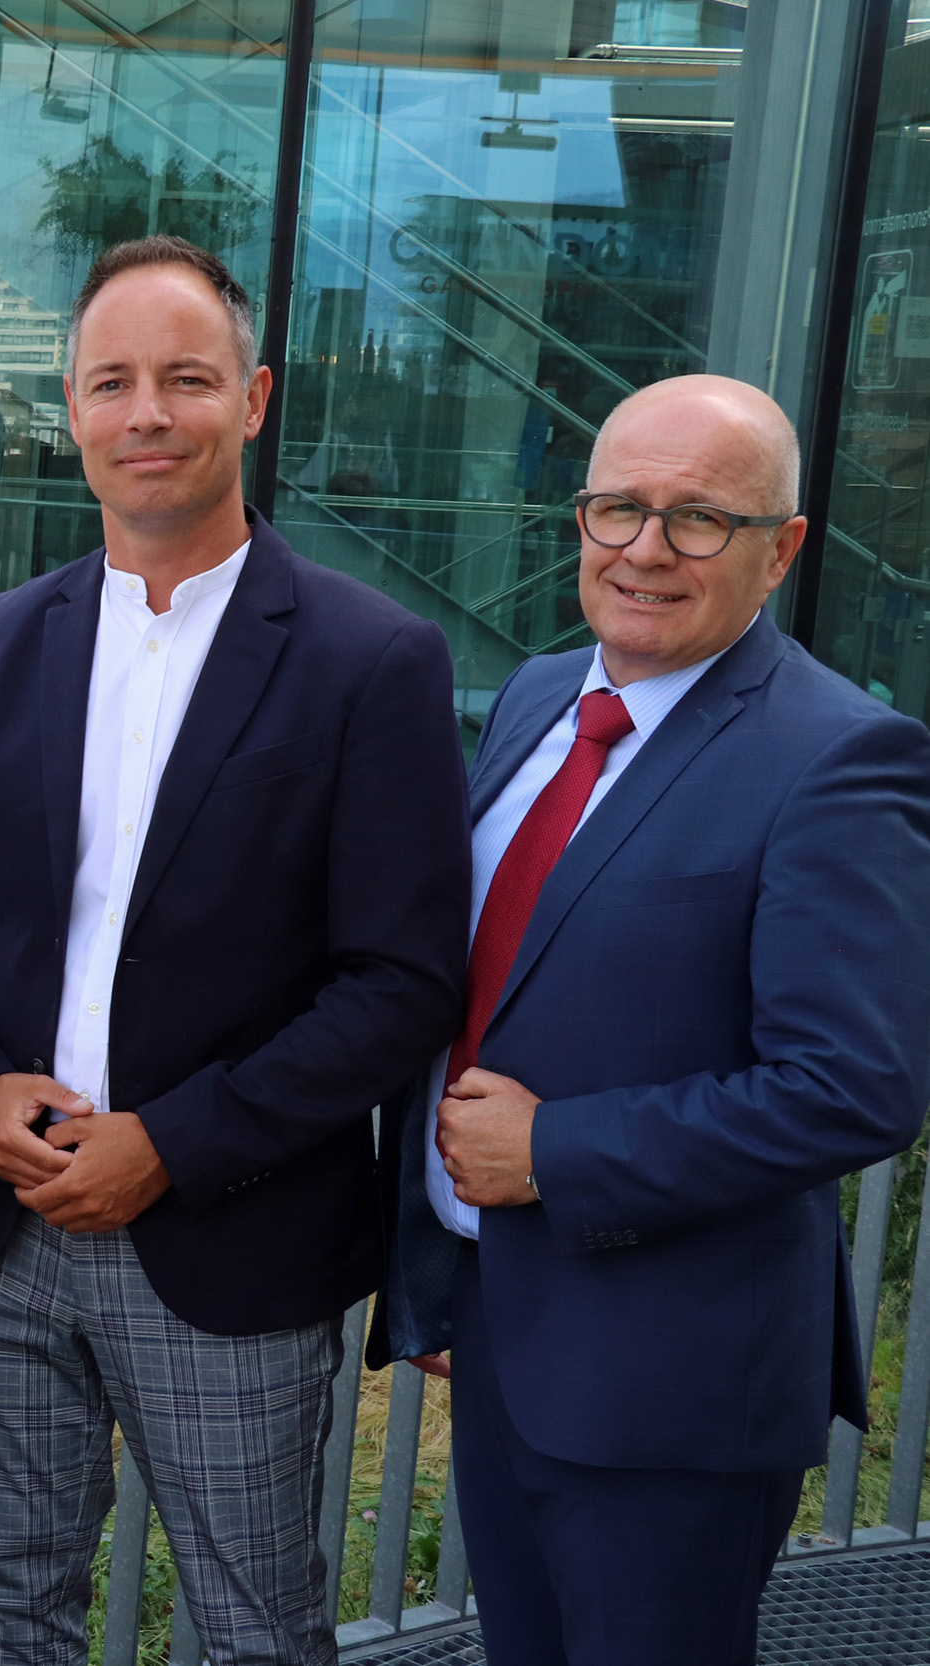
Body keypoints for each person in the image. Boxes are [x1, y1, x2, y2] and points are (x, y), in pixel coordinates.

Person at [0, 235, 469, 1666]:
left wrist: (171, 1142)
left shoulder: (370, 658)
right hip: (6, 1228)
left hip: (233, 1238)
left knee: (254, 1633)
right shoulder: (6, 638)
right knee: (10, 1616)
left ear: (255, 398)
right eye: (111, 382)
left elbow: (401, 981)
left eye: (187, 379)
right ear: (73, 409)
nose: (147, 413)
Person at [376, 374, 930, 1666]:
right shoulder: (540, 695)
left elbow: (854, 1086)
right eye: (617, 508)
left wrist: (553, 1151)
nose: (644, 549)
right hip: (510, 1323)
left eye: (700, 519)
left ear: (782, 549)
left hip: (676, 1383)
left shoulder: (843, 755)